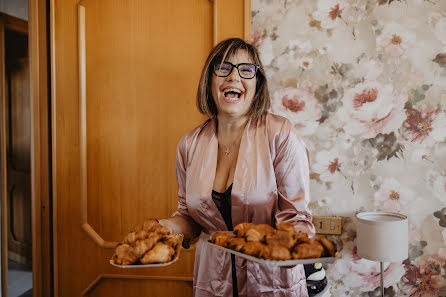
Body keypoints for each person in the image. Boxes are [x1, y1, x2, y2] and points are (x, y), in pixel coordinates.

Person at [159, 37, 315, 297]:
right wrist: (165, 227)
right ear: (210, 81)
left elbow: (295, 218)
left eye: (246, 70)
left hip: (271, 281)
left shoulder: (280, 134)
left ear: (257, 84)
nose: (233, 76)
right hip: (213, 280)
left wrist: (288, 246)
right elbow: (190, 216)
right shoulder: (189, 144)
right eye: (223, 67)